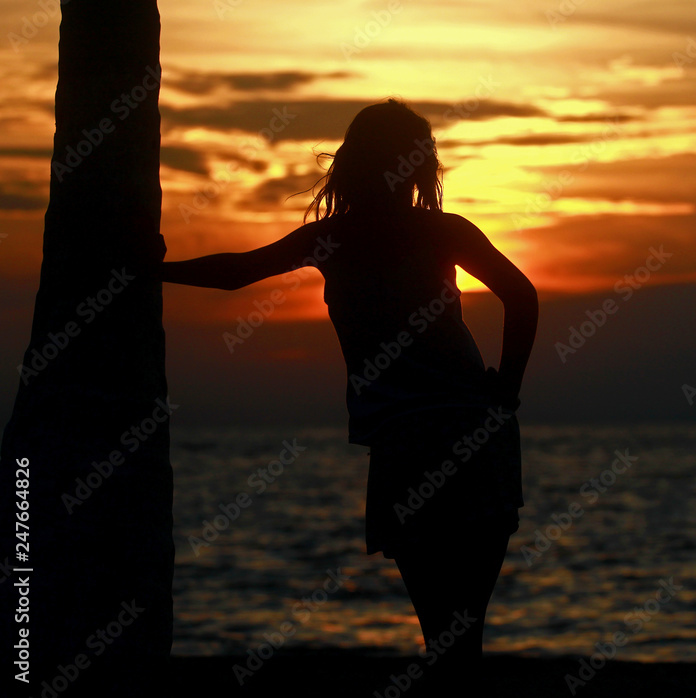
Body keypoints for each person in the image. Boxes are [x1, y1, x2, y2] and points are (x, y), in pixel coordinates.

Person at [159, 98, 538, 692]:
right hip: (475, 432)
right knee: (464, 635)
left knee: (442, 633)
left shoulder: (334, 237)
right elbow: (522, 295)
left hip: (410, 440)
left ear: (351, 162)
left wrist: (150, 270)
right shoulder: (442, 230)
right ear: (421, 167)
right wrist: (506, 391)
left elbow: (237, 272)